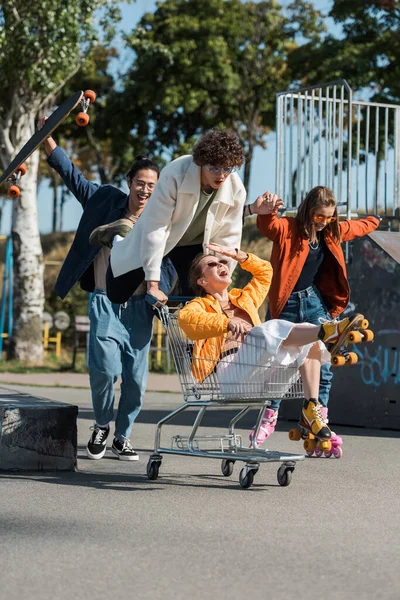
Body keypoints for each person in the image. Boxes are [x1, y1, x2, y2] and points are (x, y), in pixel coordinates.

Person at [38, 117, 167, 461]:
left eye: (152, 185)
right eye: (140, 183)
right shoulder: (105, 200)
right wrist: (47, 139)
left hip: (140, 308)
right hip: (105, 302)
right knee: (105, 370)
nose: (145, 190)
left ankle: (122, 436)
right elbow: (74, 178)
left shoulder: (162, 219)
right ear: (129, 183)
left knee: (137, 381)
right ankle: (101, 424)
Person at [177, 243, 365, 441]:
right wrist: (227, 322)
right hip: (232, 376)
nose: (221, 265)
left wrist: (239, 256)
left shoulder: (243, 298)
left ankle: (311, 408)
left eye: (223, 262)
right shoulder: (199, 305)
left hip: (263, 376)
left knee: (307, 343)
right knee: (267, 330)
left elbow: (265, 272)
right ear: (203, 281)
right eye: (212, 264)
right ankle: (327, 332)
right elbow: (187, 320)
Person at [242, 185, 380, 446]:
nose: (324, 222)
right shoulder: (289, 228)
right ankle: (268, 418)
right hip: (286, 306)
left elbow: (357, 227)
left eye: (329, 217)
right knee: (277, 365)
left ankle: (318, 420)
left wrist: (376, 221)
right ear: (308, 211)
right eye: (319, 217)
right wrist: (266, 213)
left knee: (323, 365)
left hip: (314, 304)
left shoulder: (331, 231)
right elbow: (269, 227)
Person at [103, 129, 247, 304]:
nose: (222, 175)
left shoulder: (236, 188)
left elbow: (229, 239)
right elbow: (157, 228)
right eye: (215, 168)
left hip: (195, 246)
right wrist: (153, 285)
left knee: (191, 304)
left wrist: (220, 286)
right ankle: (120, 238)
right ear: (201, 162)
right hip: (163, 237)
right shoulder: (175, 173)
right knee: (118, 295)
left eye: (227, 168)